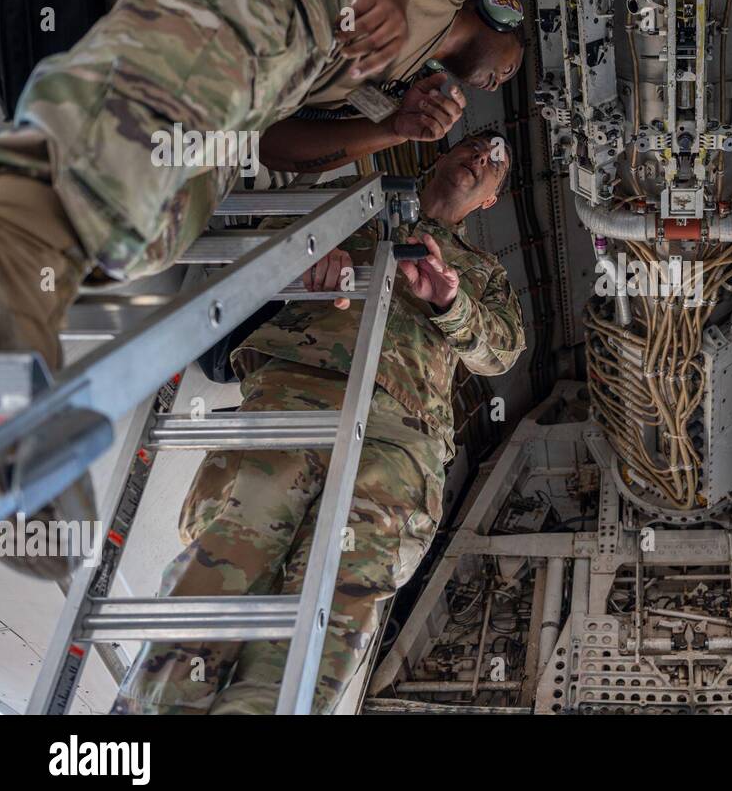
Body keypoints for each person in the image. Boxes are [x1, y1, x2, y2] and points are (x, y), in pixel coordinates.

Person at [0, 0, 522, 577]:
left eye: (495, 162)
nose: (498, 89)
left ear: (490, 202)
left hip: (243, 62)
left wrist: (395, 128)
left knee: (157, 233)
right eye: (505, 71)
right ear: (499, 17)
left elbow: (277, 145)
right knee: (126, 159)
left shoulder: (394, 97)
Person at [112, 133, 525, 714]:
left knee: (341, 598)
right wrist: (308, 257)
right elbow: (261, 243)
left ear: (490, 202)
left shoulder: (483, 274)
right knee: (227, 555)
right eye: (475, 146)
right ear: (437, 157)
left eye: (494, 164)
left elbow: (502, 352)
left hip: (399, 439)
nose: (481, 157)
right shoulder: (350, 200)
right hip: (293, 395)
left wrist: (450, 302)